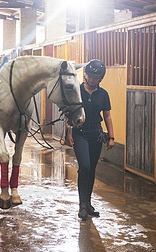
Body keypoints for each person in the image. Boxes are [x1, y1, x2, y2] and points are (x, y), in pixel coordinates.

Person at [66, 59, 115, 220]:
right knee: (85, 166)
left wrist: (111, 137)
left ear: (101, 78)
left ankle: (88, 203)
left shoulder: (103, 94)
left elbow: (107, 116)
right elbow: (69, 112)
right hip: (80, 133)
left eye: (97, 77)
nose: (93, 80)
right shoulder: (77, 91)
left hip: (96, 134)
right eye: (91, 76)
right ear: (85, 75)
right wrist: (68, 132)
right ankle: (82, 205)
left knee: (92, 169)